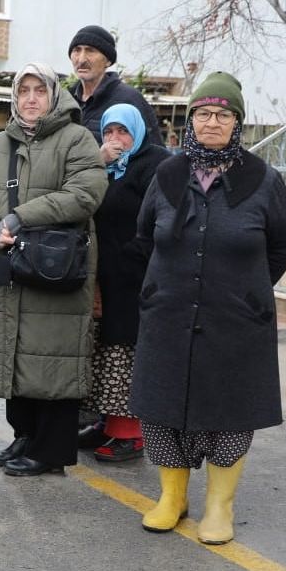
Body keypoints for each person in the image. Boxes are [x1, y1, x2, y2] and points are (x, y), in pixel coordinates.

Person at [132, 72, 286, 545]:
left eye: (222, 115)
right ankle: (172, 497)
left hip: (235, 318)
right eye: (202, 114)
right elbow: (145, 236)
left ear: (237, 123)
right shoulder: (168, 174)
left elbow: (284, 242)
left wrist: (249, 290)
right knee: (163, 408)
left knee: (230, 410)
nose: (211, 122)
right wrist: (162, 285)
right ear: (190, 121)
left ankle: (219, 506)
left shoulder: (262, 180)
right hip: (168, 313)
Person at [0, 63, 106, 476]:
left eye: (39, 90)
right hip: (8, 261)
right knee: (14, 350)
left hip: (55, 266)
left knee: (53, 356)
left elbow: (85, 194)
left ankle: (51, 450)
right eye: (23, 90)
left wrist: (19, 217)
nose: (30, 98)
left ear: (54, 95)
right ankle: (24, 435)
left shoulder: (76, 138)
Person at [78, 103, 170, 462]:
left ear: (139, 132)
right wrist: (98, 162)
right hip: (105, 274)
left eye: (123, 132)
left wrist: (133, 256)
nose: (116, 139)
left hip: (137, 275)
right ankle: (107, 422)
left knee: (126, 352)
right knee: (106, 352)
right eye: (109, 131)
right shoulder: (105, 166)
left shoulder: (154, 164)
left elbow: (160, 217)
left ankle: (131, 433)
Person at [67, 25, 163, 146]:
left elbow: (155, 150)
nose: (81, 60)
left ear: (108, 61)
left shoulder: (129, 99)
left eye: (90, 51)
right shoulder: (66, 100)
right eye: (76, 50)